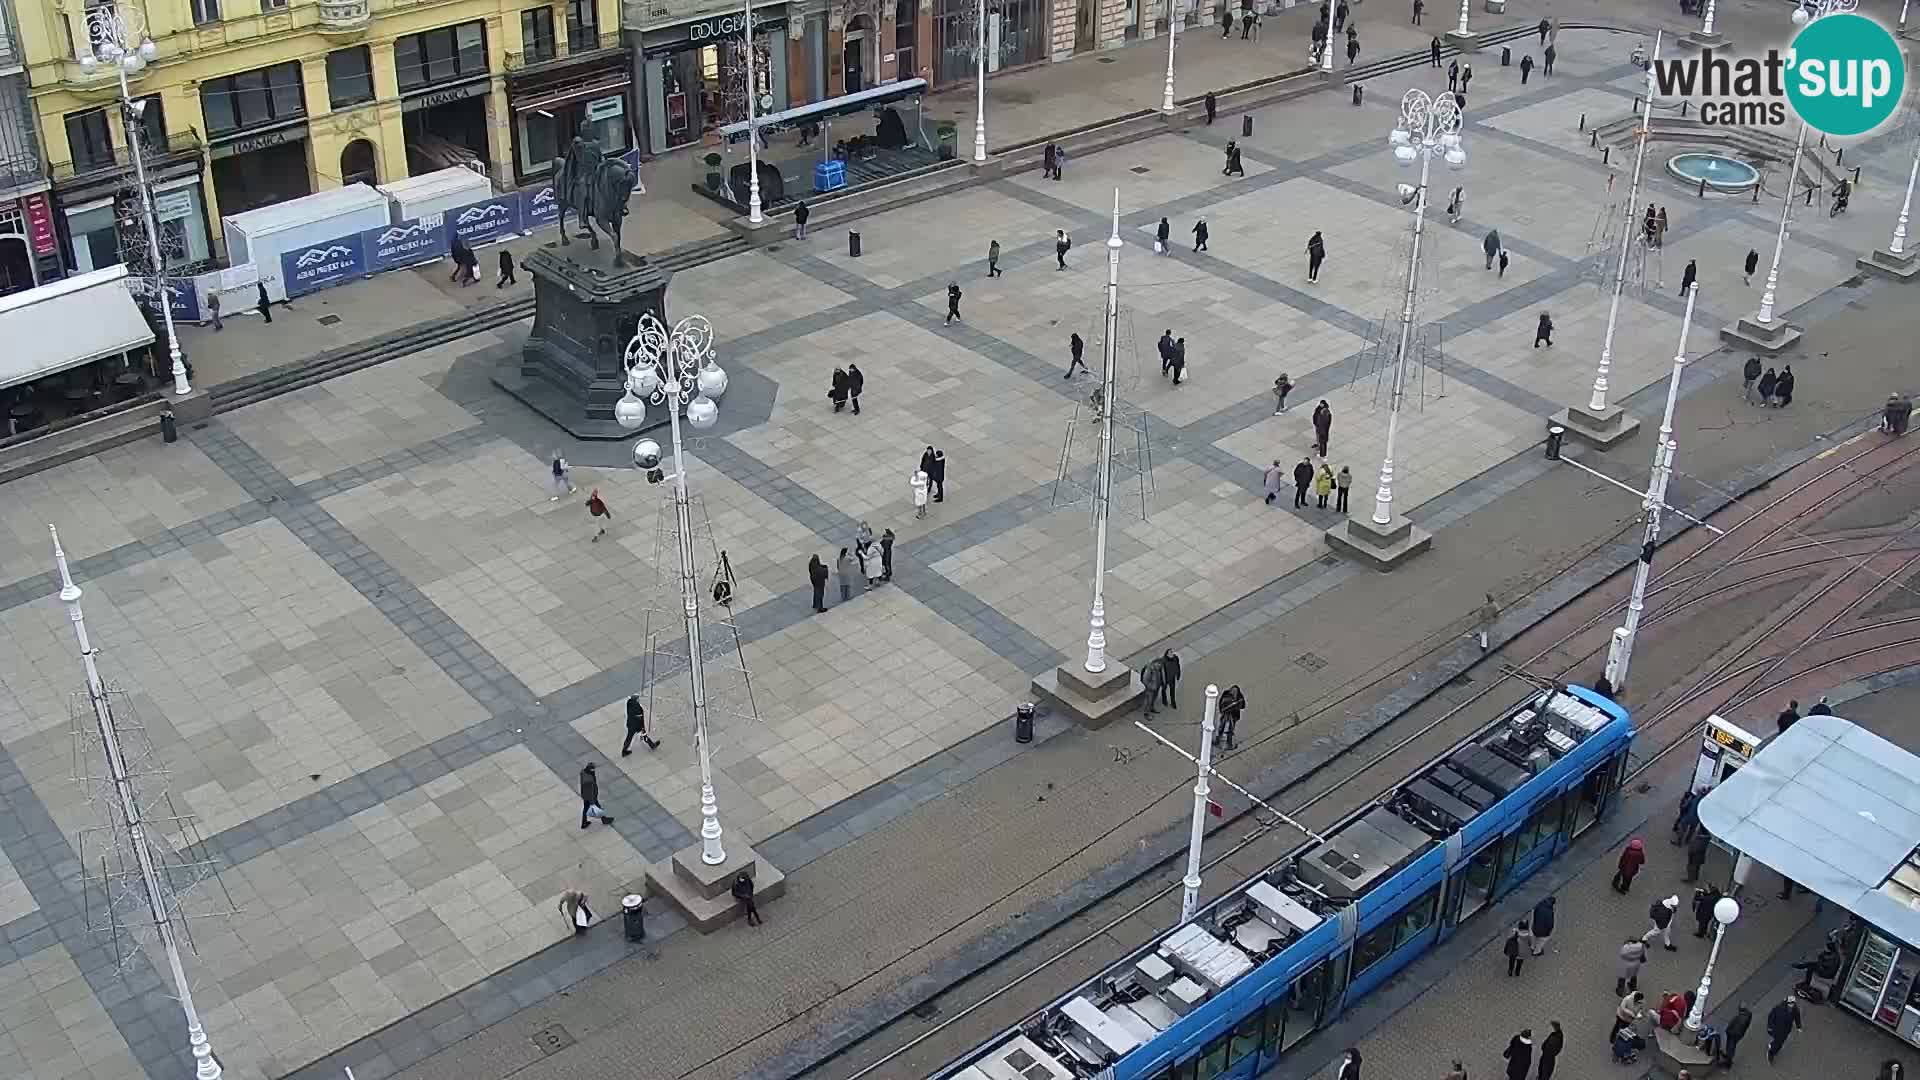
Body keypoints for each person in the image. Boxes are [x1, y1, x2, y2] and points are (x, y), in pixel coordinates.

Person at [1765, 996, 1802, 1063]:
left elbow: (1797, 1018)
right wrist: (1770, 1026)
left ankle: (1773, 1046)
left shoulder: (1795, 1009)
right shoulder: (1779, 1008)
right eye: (1790, 1003)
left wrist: (1798, 1026)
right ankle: (1771, 1053)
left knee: (1780, 1041)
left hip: (1786, 1030)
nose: (1791, 1005)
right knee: (1778, 1041)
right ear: (1787, 1002)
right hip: (1777, 1028)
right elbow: (1771, 1016)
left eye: (1793, 1004)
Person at [579, 762, 614, 828]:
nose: (594, 770)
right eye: (593, 769)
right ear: (590, 769)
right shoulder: (588, 780)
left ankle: (584, 823)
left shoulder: (584, 772)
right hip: (591, 797)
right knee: (598, 807)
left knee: (586, 808)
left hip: (585, 796)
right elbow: (589, 791)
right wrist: (592, 801)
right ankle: (604, 819)